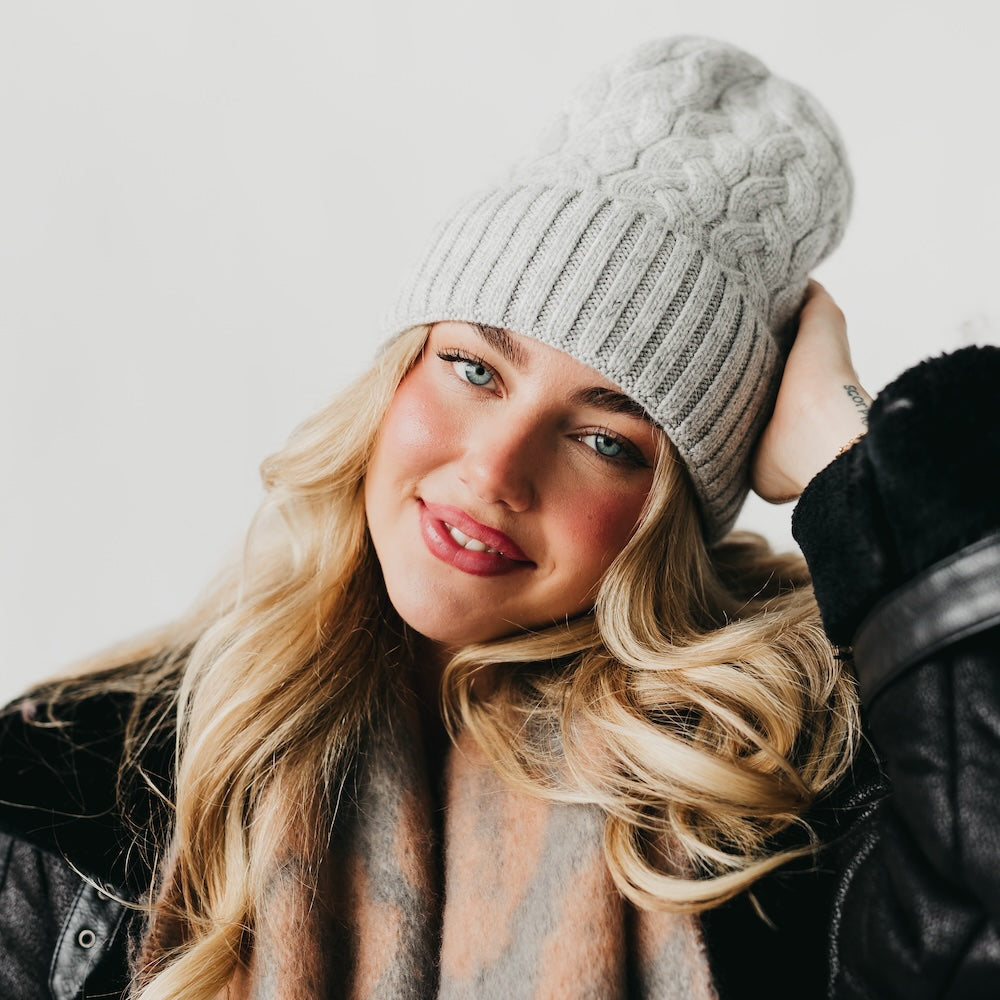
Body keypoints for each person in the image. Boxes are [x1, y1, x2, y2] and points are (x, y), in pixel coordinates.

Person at [2, 34, 998, 999]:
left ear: (669, 518)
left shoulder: (790, 807)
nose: (493, 469)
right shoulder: (74, 779)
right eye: (473, 369)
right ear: (395, 375)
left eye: (607, 439)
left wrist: (850, 450)